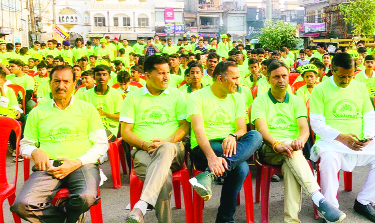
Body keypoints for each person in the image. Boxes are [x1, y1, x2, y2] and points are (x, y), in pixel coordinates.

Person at [11, 65, 108, 223]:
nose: (61, 86)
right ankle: (68, 219)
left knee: (86, 197)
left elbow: (102, 144)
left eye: (66, 82)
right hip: (48, 166)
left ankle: (70, 213)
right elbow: (26, 144)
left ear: (74, 83)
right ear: (50, 83)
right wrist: (36, 151)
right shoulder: (37, 112)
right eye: (56, 81)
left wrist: (77, 162)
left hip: (82, 165)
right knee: (23, 205)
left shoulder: (87, 109)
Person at [252, 60, 345, 223]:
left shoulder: (296, 101)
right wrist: (276, 144)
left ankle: (292, 220)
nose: (280, 80)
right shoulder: (260, 101)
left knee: (291, 166)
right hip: (269, 149)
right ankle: (318, 198)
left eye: (284, 76)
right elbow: (262, 130)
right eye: (275, 77)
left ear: (289, 78)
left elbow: (304, 129)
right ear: (268, 79)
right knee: (292, 153)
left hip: (292, 150)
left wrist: (300, 141)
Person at [310, 52, 375, 223]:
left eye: (350, 76)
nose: (346, 81)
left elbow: (370, 116)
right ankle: (331, 209)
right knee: (328, 160)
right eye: (342, 76)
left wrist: (368, 136)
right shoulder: (320, 89)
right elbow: (316, 123)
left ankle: (364, 201)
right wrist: (341, 137)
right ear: (332, 70)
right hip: (331, 143)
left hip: (358, 143)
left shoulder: (359, 87)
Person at [187, 61, 263, 222]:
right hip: (204, 147)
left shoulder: (238, 97)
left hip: (230, 145)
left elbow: (242, 128)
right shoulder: (197, 97)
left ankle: (209, 175)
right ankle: (225, 219)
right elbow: (198, 131)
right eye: (234, 78)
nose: (238, 82)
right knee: (241, 168)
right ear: (220, 79)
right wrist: (211, 158)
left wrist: (233, 136)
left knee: (256, 135)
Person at [120, 55, 189, 223]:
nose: (166, 77)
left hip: (174, 150)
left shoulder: (176, 95)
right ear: (147, 75)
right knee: (163, 180)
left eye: (167, 72)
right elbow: (125, 132)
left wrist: (167, 140)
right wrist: (145, 144)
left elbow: (185, 126)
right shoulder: (133, 97)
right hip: (144, 152)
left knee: (165, 148)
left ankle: (142, 205)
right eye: (160, 73)